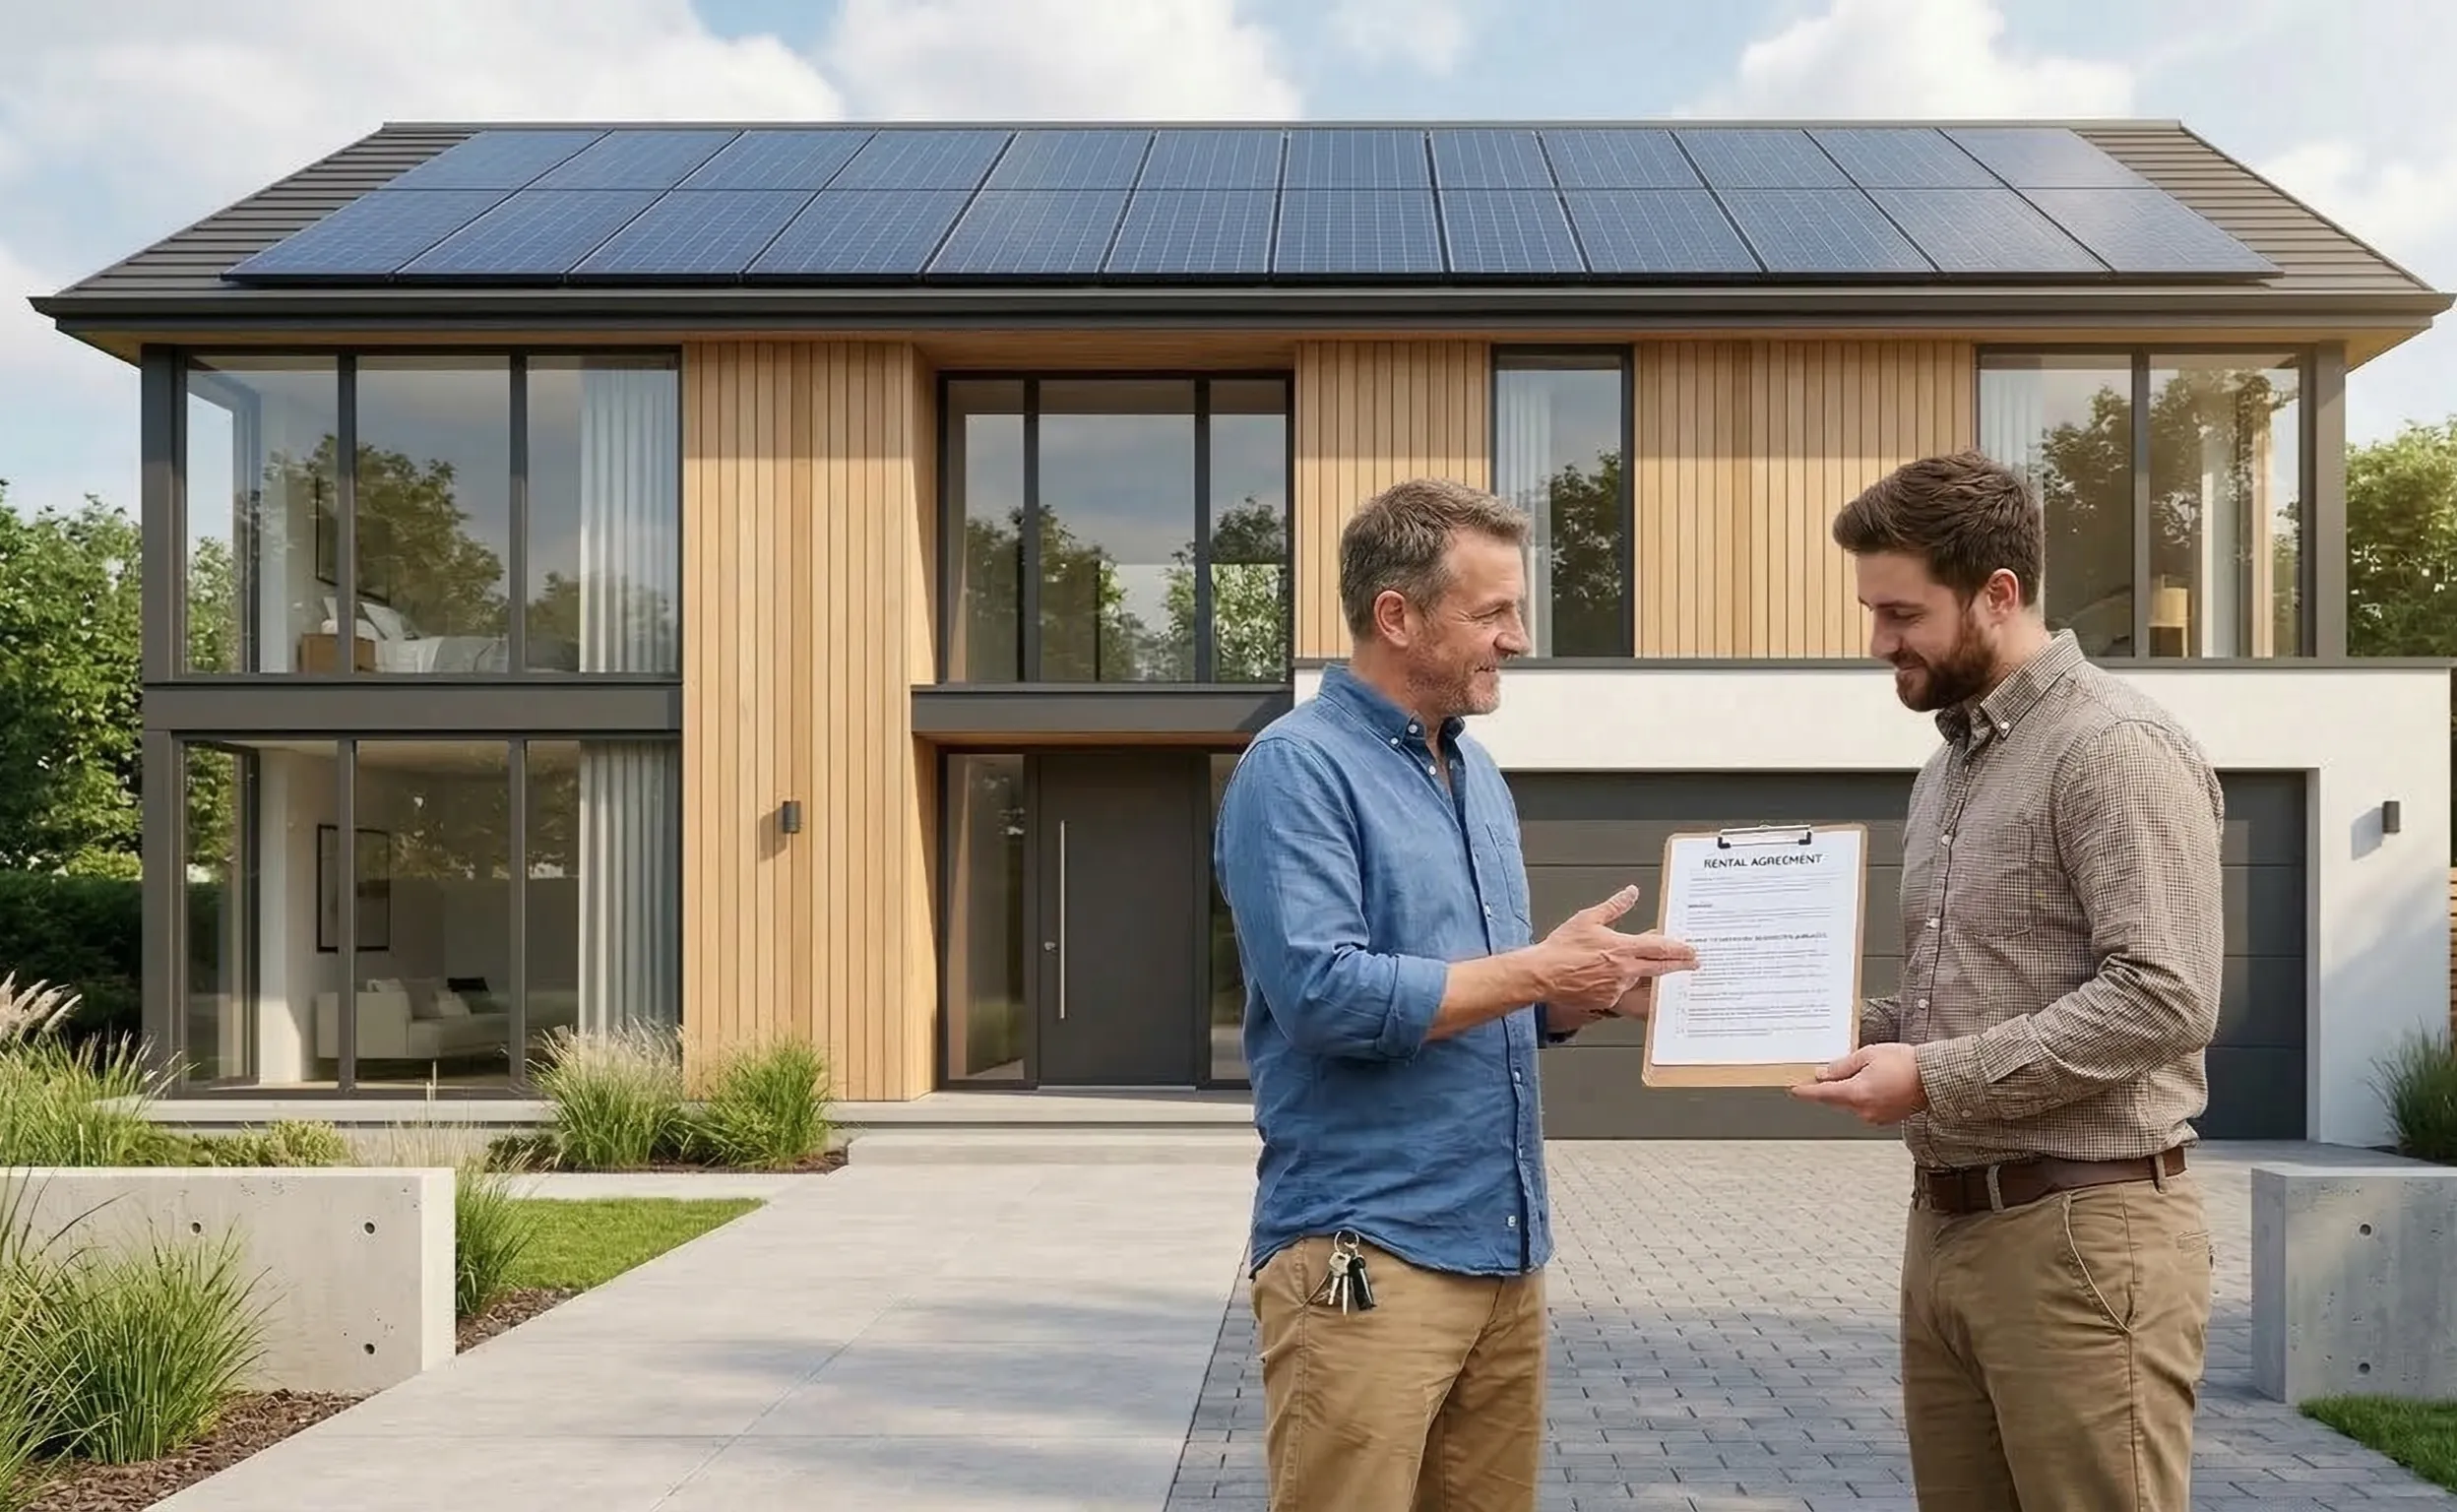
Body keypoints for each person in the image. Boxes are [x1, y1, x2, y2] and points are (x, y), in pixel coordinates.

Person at [1214, 475, 1696, 1512]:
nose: (1518, 638)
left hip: (1505, 1255)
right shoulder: (1295, 771)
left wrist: (1592, 992)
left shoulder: (1477, 779)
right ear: (1398, 615)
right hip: (1368, 1259)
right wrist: (1538, 969)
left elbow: (1477, 994)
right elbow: (1324, 995)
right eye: (1492, 613)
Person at [1793, 450, 2225, 1511]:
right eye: (1871, 611)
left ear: (1998, 592)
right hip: (1946, 1232)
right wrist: (1702, 1011)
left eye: (1901, 613)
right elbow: (1938, 1011)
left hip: (2083, 1239)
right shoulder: (1950, 764)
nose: (1879, 642)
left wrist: (1932, 1079)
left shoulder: (2113, 747)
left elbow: (2165, 995)